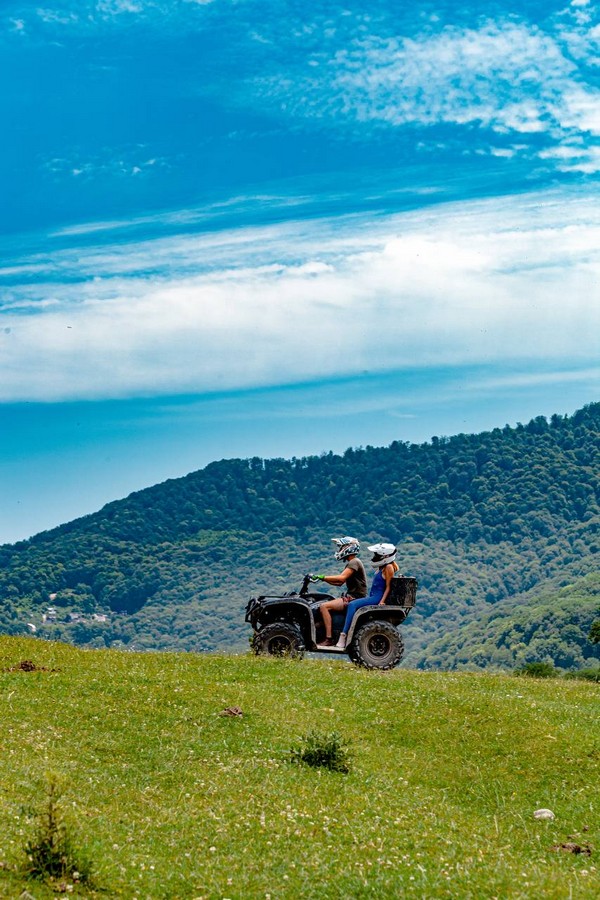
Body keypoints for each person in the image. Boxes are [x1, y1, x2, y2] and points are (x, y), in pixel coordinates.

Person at [334, 543, 399, 650]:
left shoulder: (388, 567)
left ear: (385, 556)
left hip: (377, 598)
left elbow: (388, 587)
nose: (375, 557)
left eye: (377, 555)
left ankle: (343, 635)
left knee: (352, 605)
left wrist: (382, 601)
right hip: (372, 596)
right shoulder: (382, 567)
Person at [312, 537, 367, 648]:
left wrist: (322, 577)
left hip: (354, 597)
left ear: (349, 548)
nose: (340, 550)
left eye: (342, 547)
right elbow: (339, 583)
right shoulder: (353, 562)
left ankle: (328, 639)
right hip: (352, 596)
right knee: (326, 604)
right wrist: (323, 579)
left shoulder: (354, 562)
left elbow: (341, 578)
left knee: (324, 607)